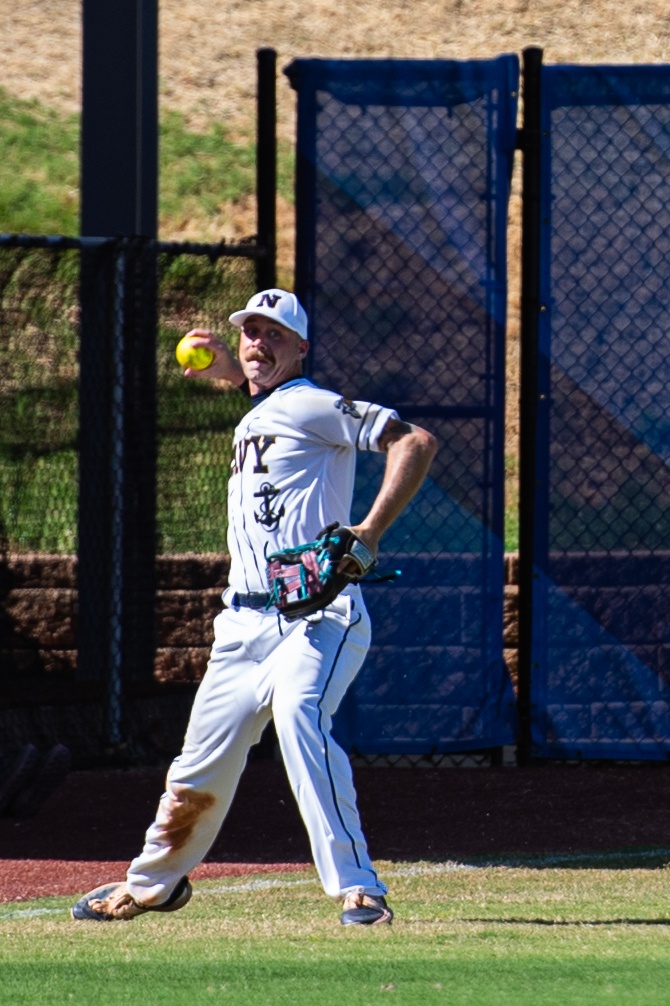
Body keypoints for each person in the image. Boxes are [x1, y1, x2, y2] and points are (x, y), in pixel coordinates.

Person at [71, 288, 437, 927]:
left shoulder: (315, 404)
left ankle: (357, 887)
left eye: (273, 335)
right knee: (198, 764)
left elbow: (415, 442)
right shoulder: (265, 407)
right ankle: (154, 885)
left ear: (302, 347)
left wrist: (368, 534)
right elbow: (265, 399)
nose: (257, 343)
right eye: (250, 333)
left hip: (317, 613)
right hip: (241, 624)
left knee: (300, 717)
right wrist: (224, 371)